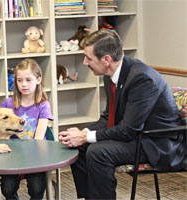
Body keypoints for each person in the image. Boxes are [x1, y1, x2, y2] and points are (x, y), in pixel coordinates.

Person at [58, 29, 186, 199]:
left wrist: (85, 136)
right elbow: (108, 118)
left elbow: (127, 130)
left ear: (106, 60)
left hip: (157, 143)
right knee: (79, 146)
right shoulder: (110, 74)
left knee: (98, 152)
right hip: (136, 136)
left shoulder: (142, 78)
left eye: (88, 58)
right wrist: (82, 134)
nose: (84, 62)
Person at [0, 58, 53, 200]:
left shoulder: (43, 105)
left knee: (37, 187)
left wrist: (26, 163)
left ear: (38, 80)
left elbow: (39, 137)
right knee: (7, 188)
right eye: (19, 80)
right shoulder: (9, 102)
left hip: (36, 156)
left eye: (28, 80)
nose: (23, 84)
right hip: (12, 156)